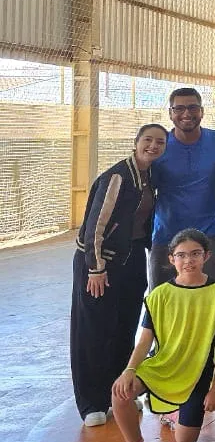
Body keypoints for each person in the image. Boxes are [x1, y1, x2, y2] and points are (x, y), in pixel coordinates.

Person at [105, 229, 215, 442]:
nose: (189, 261)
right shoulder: (159, 295)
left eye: (195, 254)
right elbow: (144, 340)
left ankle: (173, 412)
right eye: (181, 255)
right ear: (171, 259)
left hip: (196, 373)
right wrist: (129, 370)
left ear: (206, 256)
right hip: (162, 365)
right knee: (120, 393)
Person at [72, 124, 167, 426]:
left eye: (160, 142)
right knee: (93, 331)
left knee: (124, 327)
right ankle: (91, 403)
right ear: (135, 142)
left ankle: (118, 393)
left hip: (132, 259)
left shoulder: (151, 177)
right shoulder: (118, 176)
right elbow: (94, 229)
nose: (153, 146)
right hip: (101, 263)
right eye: (148, 140)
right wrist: (96, 269)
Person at [148, 88, 215, 288]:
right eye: (179, 108)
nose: (186, 114)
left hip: (208, 235)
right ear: (170, 113)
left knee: (209, 300)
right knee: (160, 302)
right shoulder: (160, 145)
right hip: (165, 236)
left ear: (202, 111)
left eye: (192, 107)